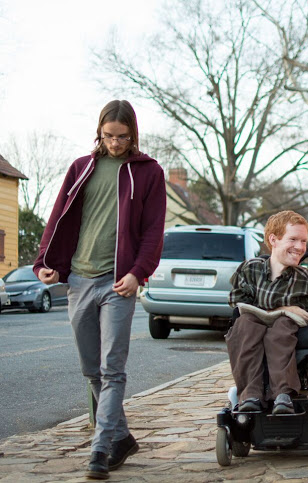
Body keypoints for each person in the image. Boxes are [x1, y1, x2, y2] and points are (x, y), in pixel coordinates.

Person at [34, 100, 166, 480]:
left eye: (122, 137)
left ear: (133, 134)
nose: (115, 143)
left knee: (112, 369)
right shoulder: (82, 167)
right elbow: (58, 215)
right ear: (99, 131)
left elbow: (153, 231)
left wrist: (138, 273)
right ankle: (121, 437)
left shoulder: (149, 172)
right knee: (91, 368)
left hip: (118, 283)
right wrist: (45, 261)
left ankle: (101, 446)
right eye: (109, 136)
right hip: (78, 279)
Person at [226, 210, 308, 414]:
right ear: (273, 239)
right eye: (293, 239)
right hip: (253, 321)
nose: (300, 247)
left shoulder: (305, 277)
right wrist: (281, 308)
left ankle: (283, 395)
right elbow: (237, 301)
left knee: (282, 328)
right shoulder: (250, 269)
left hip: (286, 327)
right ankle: (250, 395)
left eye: (303, 241)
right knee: (245, 323)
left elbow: (307, 313)